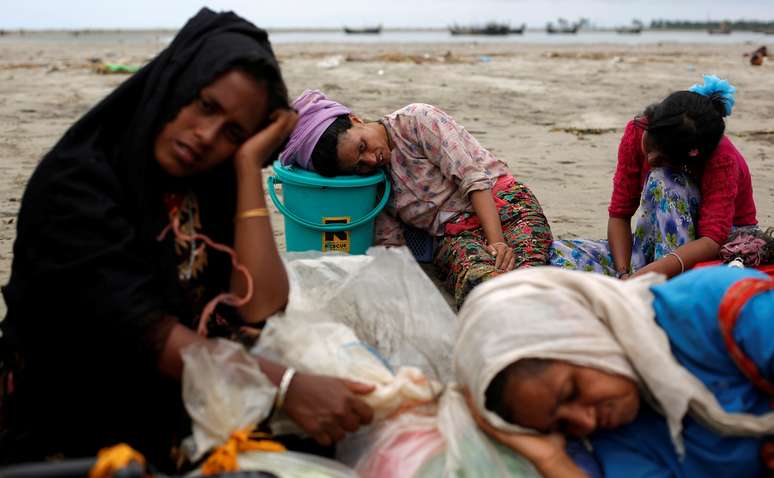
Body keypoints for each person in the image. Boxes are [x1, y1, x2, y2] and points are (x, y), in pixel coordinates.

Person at [0, 9, 373, 470]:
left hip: (184, 400)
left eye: (233, 132)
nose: (206, 135)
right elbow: (145, 335)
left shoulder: (204, 182)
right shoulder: (77, 186)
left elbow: (261, 309)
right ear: (174, 83)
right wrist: (285, 385)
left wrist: (247, 166)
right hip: (77, 426)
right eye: (206, 106)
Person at [456, 265, 774, 477]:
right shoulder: (615, 439)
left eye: (572, 391)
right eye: (562, 425)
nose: (586, 420)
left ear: (582, 334)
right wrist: (551, 460)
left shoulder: (711, 308)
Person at [279, 90, 553, 306]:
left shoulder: (417, 121)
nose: (370, 160)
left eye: (362, 146)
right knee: (480, 283)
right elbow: (391, 244)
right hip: (456, 236)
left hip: (505, 207)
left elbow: (474, 180)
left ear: (355, 119)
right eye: (359, 165)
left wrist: (496, 241)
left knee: (525, 277)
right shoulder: (373, 182)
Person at [551, 75, 758, 280]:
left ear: (691, 155)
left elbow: (712, 239)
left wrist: (651, 274)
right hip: (652, 246)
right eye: (650, 146)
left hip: (710, 251)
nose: (650, 159)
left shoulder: (722, 159)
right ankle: (639, 277)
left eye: (663, 157)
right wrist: (624, 273)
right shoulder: (636, 130)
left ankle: (661, 283)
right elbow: (620, 213)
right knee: (553, 253)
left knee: (664, 180)